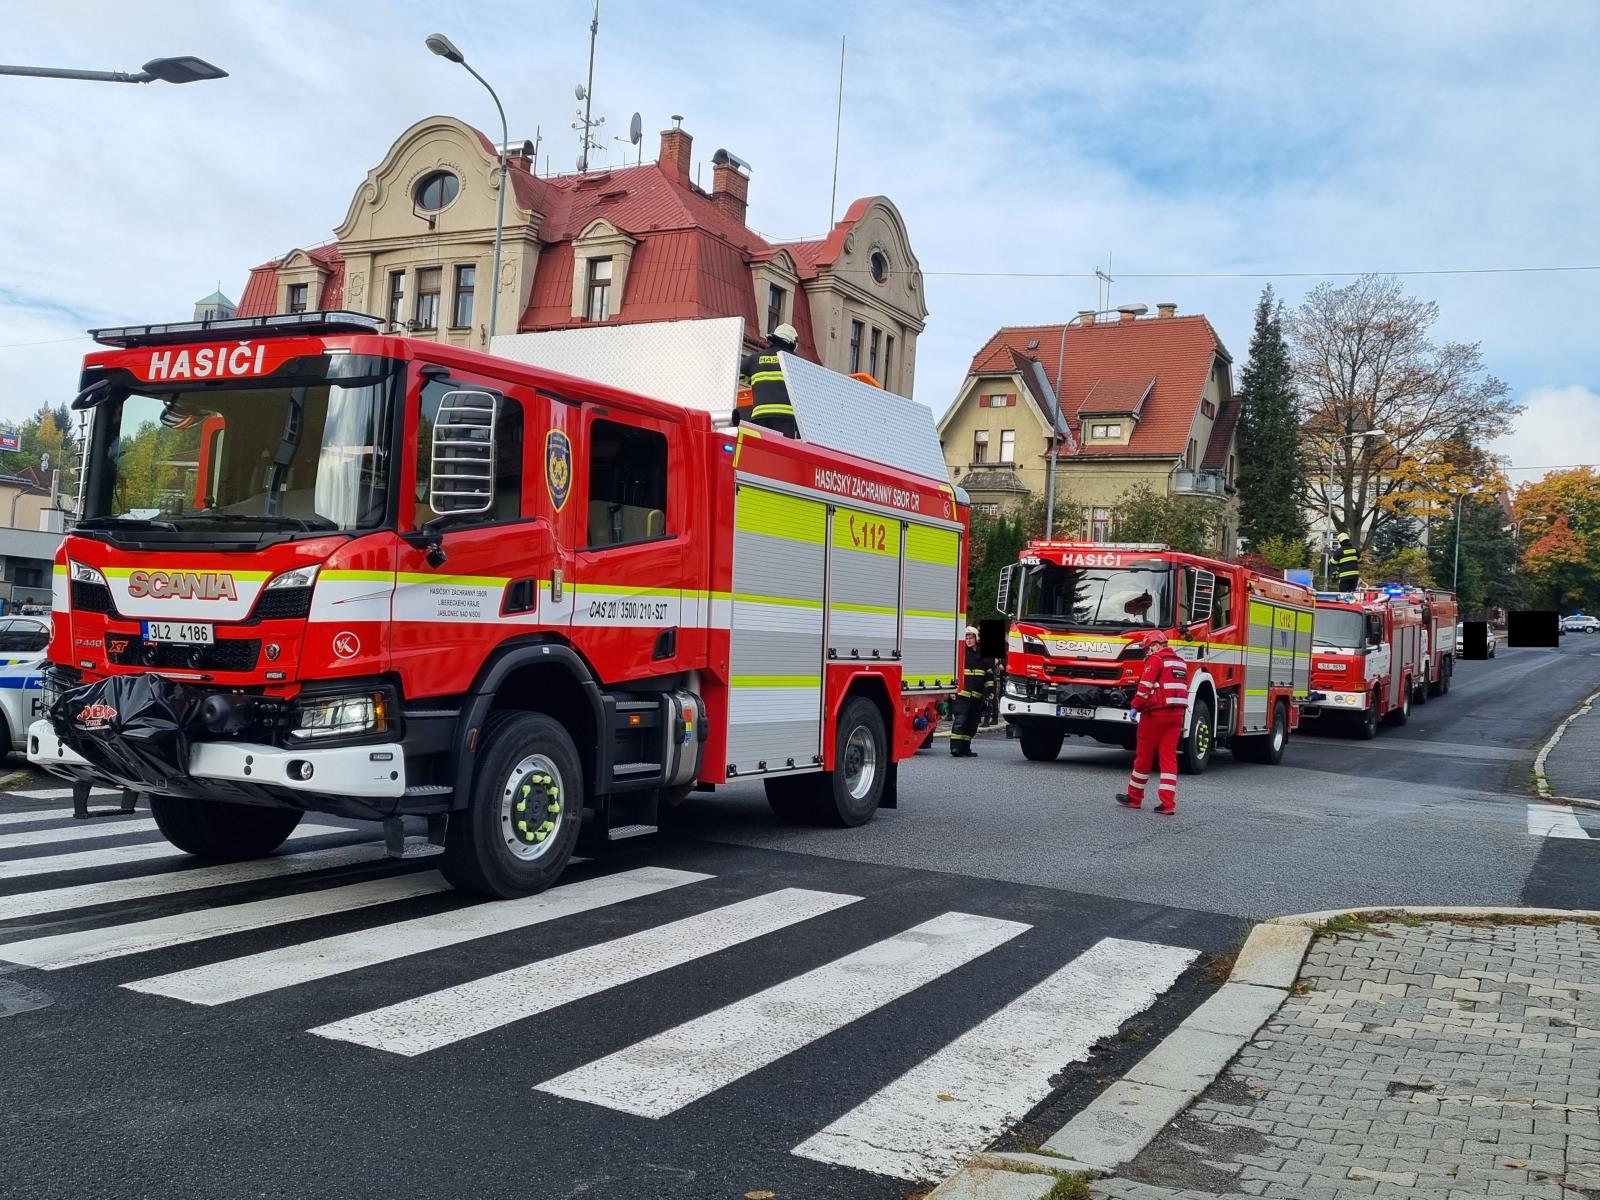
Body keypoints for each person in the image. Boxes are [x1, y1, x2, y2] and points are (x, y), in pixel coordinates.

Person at [1116, 629, 1189, 814]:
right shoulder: (1180, 662)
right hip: (1177, 715)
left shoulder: (1156, 659)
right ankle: (1168, 803)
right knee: (1168, 758)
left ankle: (1134, 797)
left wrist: (1135, 706)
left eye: (1148, 648)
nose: (1147, 652)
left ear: (1156, 645)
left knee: (1144, 757)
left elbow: (1145, 687)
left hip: (1155, 715)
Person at [736, 324, 800, 437]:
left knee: (762, 447)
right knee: (782, 448)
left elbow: (736, 371)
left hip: (760, 416)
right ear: (793, 343)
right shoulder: (796, 362)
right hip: (785, 418)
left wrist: (756, 382)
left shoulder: (755, 358)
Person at [950, 626, 994, 758]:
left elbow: (989, 675)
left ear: (976, 638)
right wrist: (952, 691)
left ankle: (965, 748)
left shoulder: (983, 656)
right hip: (962, 695)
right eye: (966, 638)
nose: (968, 640)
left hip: (977, 696)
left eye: (971, 638)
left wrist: (991, 690)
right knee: (960, 721)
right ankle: (955, 748)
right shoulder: (961, 654)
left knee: (972, 723)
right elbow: (953, 672)